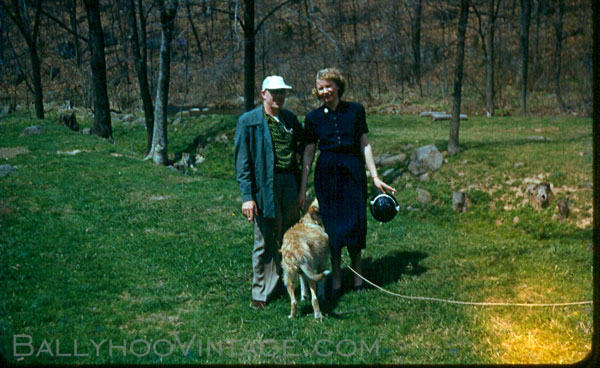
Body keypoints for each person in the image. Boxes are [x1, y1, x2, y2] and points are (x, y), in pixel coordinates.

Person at [298, 68, 396, 298]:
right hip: (327, 176)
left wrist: (375, 176)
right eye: (320, 88)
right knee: (332, 229)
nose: (325, 92)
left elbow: (365, 144)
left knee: (355, 225)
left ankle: (358, 277)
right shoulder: (312, 118)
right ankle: (337, 280)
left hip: (353, 174)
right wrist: (303, 189)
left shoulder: (355, 111)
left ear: (338, 86)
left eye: (328, 86)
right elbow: (308, 155)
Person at [234, 75, 305, 310]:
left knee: (288, 235)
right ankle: (261, 292)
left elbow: (304, 143)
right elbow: (242, 163)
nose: (279, 97)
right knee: (264, 239)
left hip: (289, 185)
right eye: (274, 92)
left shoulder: (290, 119)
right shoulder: (249, 121)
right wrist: (247, 197)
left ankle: (288, 283)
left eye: (283, 92)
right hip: (264, 185)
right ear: (263, 94)